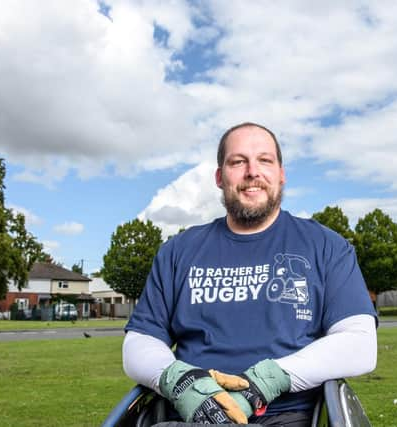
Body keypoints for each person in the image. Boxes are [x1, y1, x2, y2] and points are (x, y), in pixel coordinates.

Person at [123, 122, 377, 426]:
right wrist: (181, 381)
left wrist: (267, 382)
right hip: (188, 416)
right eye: (238, 161)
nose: (252, 172)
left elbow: (360, 343)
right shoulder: (178, 251)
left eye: (265, 160)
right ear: (220, 177)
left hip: (288, 416)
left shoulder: (327, 246)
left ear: (281, 174)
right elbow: (139, 341)